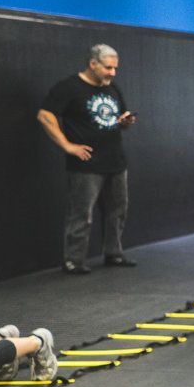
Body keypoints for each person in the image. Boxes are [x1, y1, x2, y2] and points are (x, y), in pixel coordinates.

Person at [37, 44, 138, 275]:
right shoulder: (70, 87)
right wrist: (67, 145)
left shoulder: (112, 88)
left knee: (117, 211)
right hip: (87, 163)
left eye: (115, 68)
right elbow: (44, 115)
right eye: (108, 67)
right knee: (81, 213)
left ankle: (114, 253)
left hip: (116, 161)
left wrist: (125, 122)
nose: (113, 73)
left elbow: (118, 119)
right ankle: (73, 260)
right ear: (93, 64)